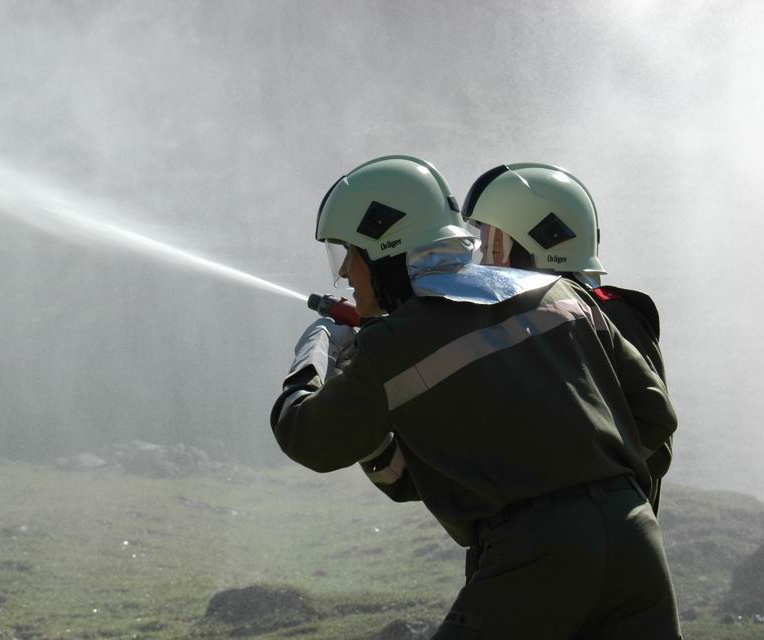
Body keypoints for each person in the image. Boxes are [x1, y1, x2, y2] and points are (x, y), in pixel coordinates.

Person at [270, 155, 681, 639]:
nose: (344, 274)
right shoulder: (559, 293)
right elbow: (656, 417)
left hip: (535, 555)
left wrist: (315, 352)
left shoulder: (391, 346)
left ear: (383, 249)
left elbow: (308, 439)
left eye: (349, 254)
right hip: (637, 542)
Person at [461, 163, 671, 515]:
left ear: (541, 241)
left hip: (595, 530)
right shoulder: (522, 329)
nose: (483, 263)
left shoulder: (610, 316)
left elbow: (653, 445)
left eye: (494, 246)